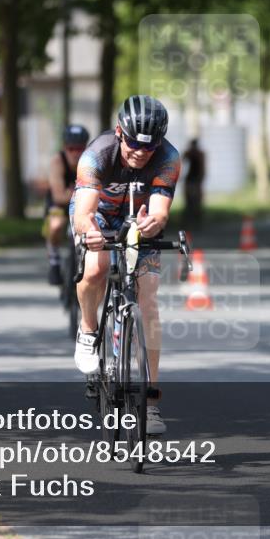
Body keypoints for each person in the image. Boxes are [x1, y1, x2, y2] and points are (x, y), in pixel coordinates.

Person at [70, 95, 181, 435]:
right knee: (96, 268)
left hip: (139, 217)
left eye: (149, 147)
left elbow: (161, 211)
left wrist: (155, 224)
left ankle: (151, 403)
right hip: (99, 215)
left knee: (148, 303)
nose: (139, 152)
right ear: (119, 132)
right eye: (133, 143)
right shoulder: (96, 156)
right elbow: (84, 214)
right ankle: (88, 332)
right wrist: (89, 233)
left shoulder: (168, 159)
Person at [43, 124, 90, 285]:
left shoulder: (91, 160)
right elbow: (59, 196)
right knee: (56, 225)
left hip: (83, 201)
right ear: (64, 147)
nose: (76, 153)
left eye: (80, 149)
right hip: (60, 204)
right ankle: (54, 261)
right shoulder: (58, 162)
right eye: (71, 149)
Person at [182, 138, 206, 226]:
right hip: (192, 179)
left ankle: (196, 220)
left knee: (196, 201)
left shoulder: (199, 154)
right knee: (190, 200)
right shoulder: (194, 153)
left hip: (195, 179)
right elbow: (183, 159)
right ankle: (191, 220)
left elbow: (202, 166)